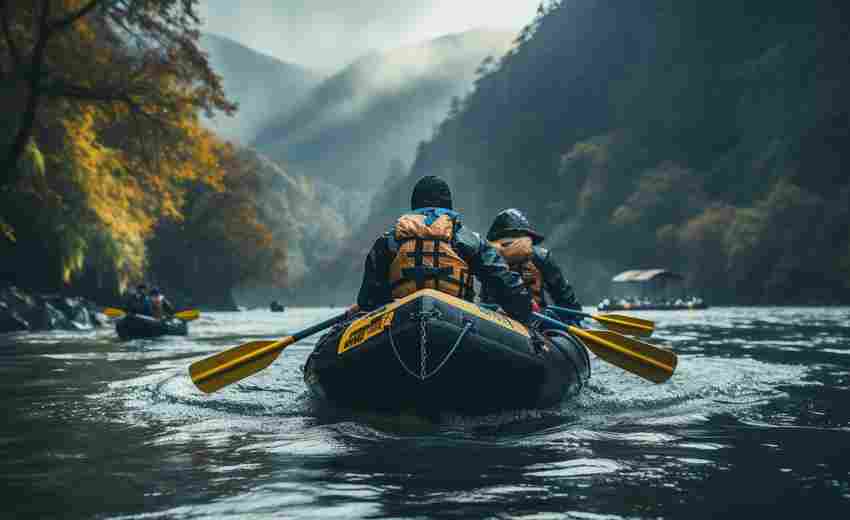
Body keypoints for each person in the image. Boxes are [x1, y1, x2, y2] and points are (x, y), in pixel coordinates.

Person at [356, 176, 532, 323]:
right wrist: (524, 317)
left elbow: (368, 300)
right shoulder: (468, 239)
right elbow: (505, 285)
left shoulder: (388, 241)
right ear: (449, 206)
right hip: (459, 326)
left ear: (414, 207)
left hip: (400, 327)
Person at [484, 208, 581, 314]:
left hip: (537, 320)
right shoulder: (489, 257)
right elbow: (486, 301)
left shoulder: (540, 258)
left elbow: (569, 305)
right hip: (500, 319)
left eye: (518, 239)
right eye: (507, 242)